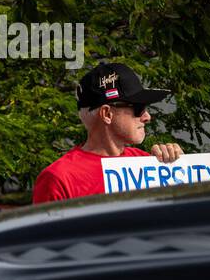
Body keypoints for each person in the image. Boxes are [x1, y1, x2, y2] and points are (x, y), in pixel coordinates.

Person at [33, 61, 183, 203]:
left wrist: (180, 167)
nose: (147, 117)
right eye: (138, 108)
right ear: (107, 114)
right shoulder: (59, 179)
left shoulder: (149, 163)